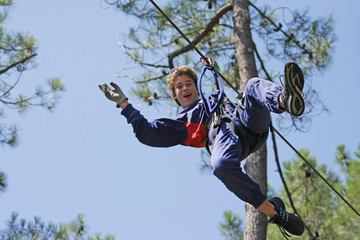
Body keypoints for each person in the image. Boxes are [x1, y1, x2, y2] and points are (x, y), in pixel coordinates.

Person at [99, 62, 305, 237]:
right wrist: (124, 104)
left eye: (189, 83)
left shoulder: (215, 97)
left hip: (249, 123)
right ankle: (274, 212)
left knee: (252, 85)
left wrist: (214, 70)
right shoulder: (184, 123)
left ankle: (283, 99)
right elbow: (148, 133)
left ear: (197, 89)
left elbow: (236, 94)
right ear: (176, 96)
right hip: (226, 137)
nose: (185, 87)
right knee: (221, 165)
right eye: (179, 86)